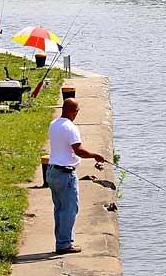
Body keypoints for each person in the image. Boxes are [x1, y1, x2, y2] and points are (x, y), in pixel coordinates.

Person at [47, 98, 108, 254]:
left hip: (52, 171)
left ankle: (63, 240)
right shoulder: (70, 128)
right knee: (69, 210)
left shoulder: (54, 124)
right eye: (77, 111)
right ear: (72, 111)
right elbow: (78, 150)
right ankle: (64, 244)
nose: (77, 114)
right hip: (65, 174)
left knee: (59, 209)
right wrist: (96, 155)